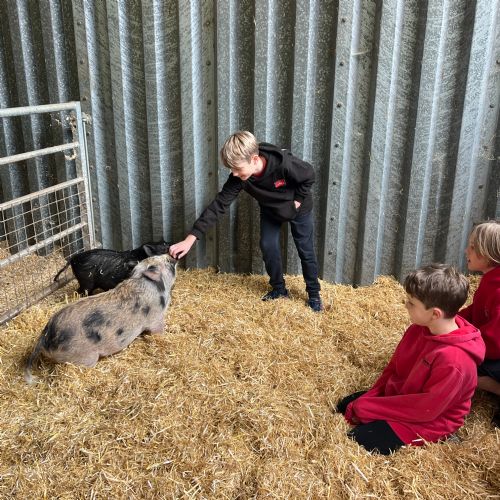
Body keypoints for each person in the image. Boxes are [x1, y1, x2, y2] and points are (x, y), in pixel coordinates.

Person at [336, 264, 485, 455]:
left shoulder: (455, 361)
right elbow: (394, 368)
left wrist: (372, 408)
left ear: (435, 314)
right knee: (344, 405)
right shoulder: (418, 329)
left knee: (358, 439)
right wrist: (374, 396)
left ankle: (445, 438)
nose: (406, 305)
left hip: (431, 418)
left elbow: (426, 409)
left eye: (412, 303)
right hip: (404, 396)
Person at [169, 131, 323, 312]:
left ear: (254, 159)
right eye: (231, 169)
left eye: (237, 168)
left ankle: (314, 294)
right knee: (268, 245)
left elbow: (309, 175)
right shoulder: (239, 178)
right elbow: (218, 205)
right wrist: (189, 240)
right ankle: (279, 289)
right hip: (271, 209)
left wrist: (296, 202)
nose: (234, 173)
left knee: (305, 249)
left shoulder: (283, 164)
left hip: (298, 208)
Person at [460, 220, 500, 427]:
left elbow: (494, 343)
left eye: (473, 247)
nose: (466, 251)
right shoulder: (490, 279)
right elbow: (476, 311)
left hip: (496, 351)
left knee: (460, 368)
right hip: (493, 349)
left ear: (487, 253)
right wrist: (453, 321)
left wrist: (462, 343)